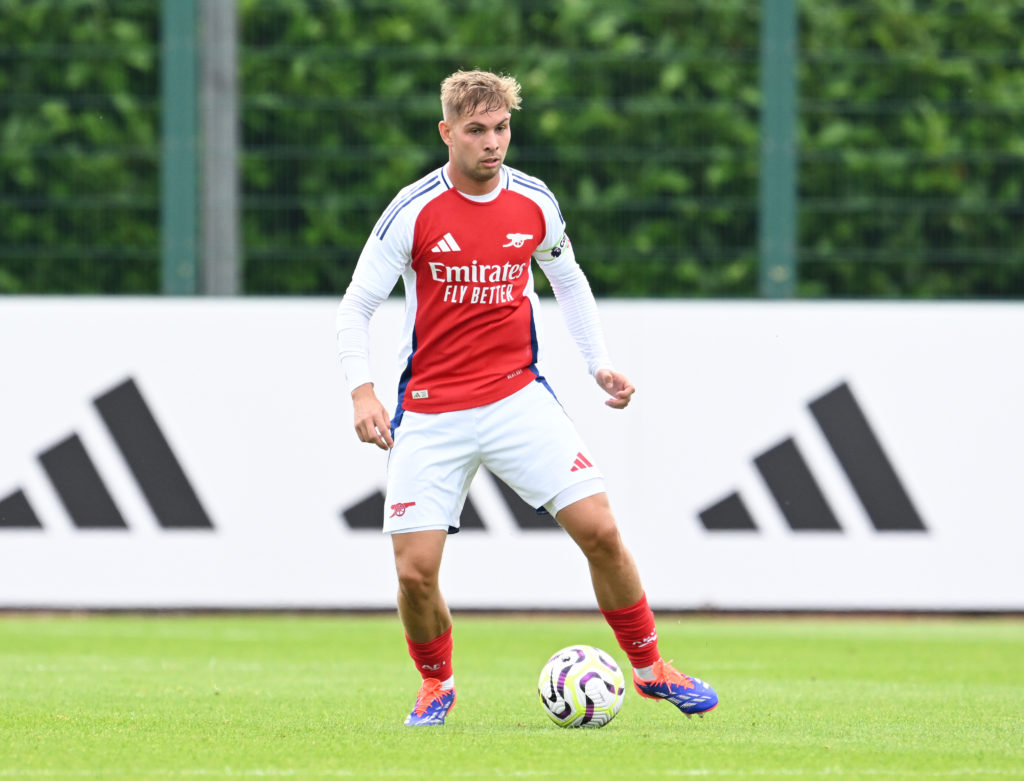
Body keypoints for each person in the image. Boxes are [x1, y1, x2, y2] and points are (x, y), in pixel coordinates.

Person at [336, 69, 718, 726]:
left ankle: (653, 668)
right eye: (477, 130)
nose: (493, 143)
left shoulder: (534, 201)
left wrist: (599, 364)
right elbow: (356, 307)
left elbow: (569, 281)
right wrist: (362, 391)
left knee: (600, 529)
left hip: (517, 399)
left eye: (502, 128)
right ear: (447, 132)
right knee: (416, 573)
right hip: (430, 408)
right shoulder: (414, 210)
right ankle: (436, 682)